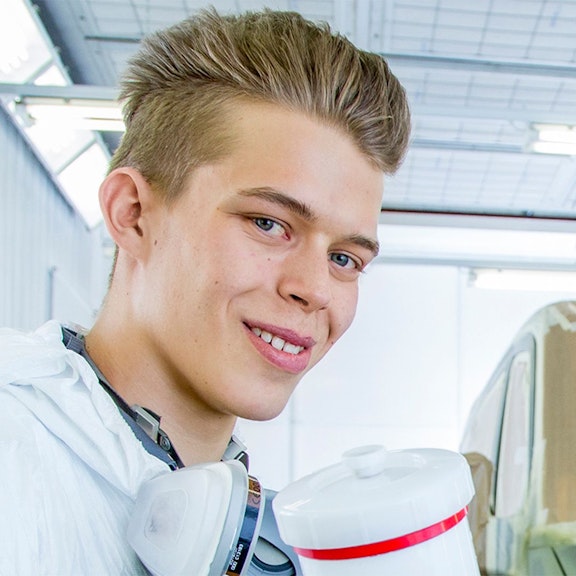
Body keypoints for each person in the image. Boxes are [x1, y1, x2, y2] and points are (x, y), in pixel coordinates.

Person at [0, 7, 410, 574]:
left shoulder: (232, 516)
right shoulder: (13, 454)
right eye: (268, 224)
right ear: (134, 214)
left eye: (344, 258)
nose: (315, 289)